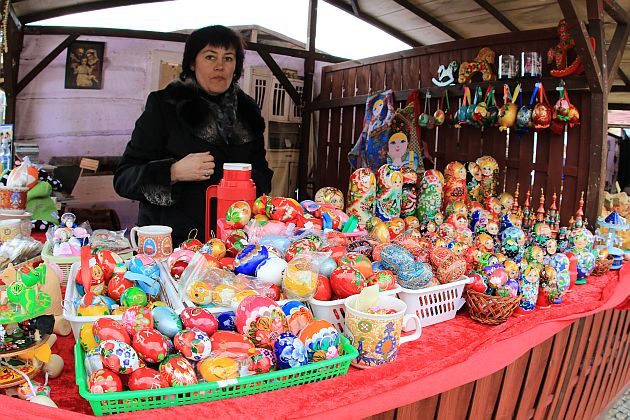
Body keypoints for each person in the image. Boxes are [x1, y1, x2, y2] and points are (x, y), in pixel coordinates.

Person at [114, 25, 273, 245]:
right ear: (192, 62)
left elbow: (263, 174)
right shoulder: (164, 105)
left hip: (234, 243)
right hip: (174, 244)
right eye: (210, 56)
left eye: (228, 58)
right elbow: (123, 178)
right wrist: (172, 171)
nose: (220, 66)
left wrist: (245, 185)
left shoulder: (248, 113)